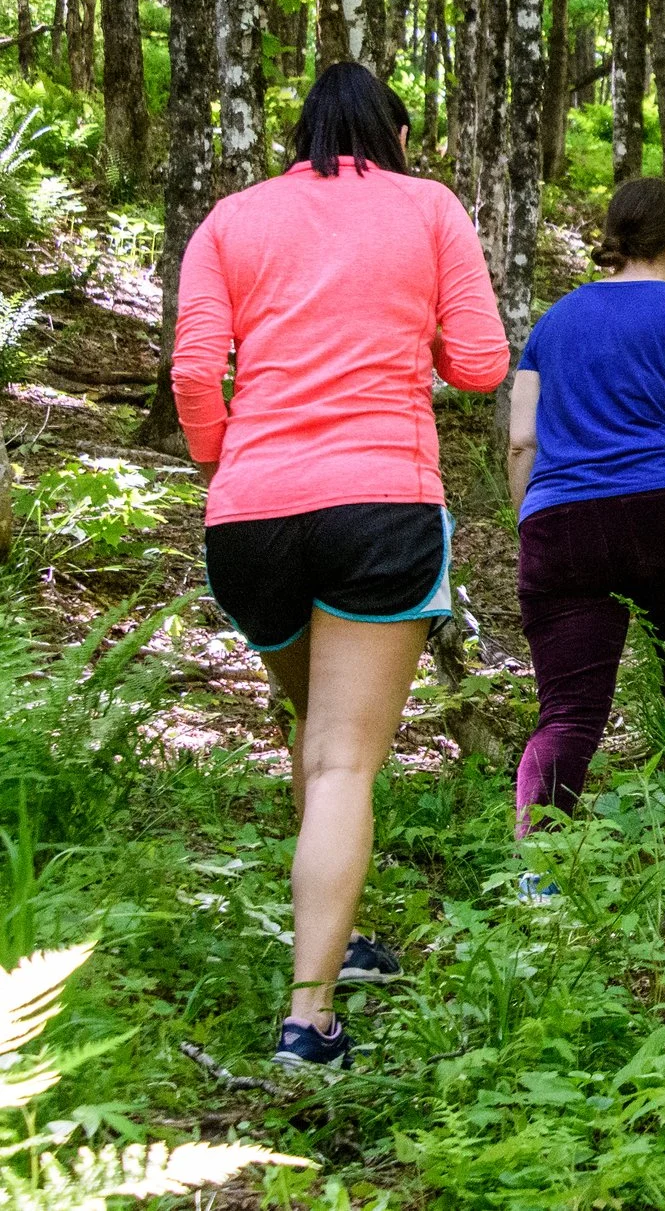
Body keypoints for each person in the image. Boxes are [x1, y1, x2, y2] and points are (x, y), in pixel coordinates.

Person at [173, 62, 509, 1070]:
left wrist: (225, 456)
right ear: (389, 135)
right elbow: (483, 363)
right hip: (378, 503)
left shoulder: (231, 219)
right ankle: (308, 1014)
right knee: (341, 759)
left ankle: (338, 934)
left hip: (249, 514)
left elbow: (195, 371)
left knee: (313, 731)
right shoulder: (428, 207)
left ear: (300, 134)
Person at [506, 178, 665, 854]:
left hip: (560, 521)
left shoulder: (552, 322)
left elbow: (521, 441)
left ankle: (537, 872)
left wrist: (528, 524)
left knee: (567, 711)